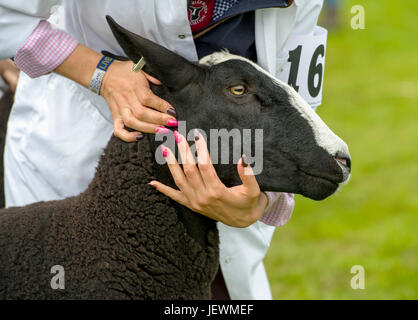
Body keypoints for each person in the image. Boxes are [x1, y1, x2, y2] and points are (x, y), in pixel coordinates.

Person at [0, 0, 326, 299]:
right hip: (79, 143)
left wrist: (263, 202)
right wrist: (99, 72)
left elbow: (294, 107)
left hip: (224, 188)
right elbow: (7, 14)